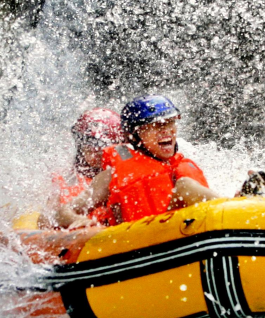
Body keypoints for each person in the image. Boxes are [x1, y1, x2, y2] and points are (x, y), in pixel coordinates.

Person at [56, 95, 221, 229]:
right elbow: (65, 211)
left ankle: (234, 203)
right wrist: (77, 220)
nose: (166, 130)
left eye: (170, 123)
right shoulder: (112, 174)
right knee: (186, 186)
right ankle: (232, 206)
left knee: (186, 185)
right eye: (156, 126)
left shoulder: (183, 165)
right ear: (135, 136)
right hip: (143, 238)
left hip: (181, 230)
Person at [38, 108, 126, 228]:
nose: (95, 155)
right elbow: (46, 219)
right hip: (77, 235)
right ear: (80, 146)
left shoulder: (120, 175)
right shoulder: (66, 179)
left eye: (101, 151)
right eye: (89, 148)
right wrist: (75, 220)